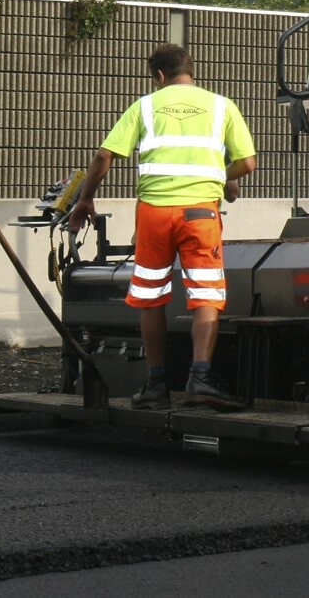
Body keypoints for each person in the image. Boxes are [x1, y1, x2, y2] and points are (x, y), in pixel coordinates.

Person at [67, 43, 257, 412]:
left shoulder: (145, 106)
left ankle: (155, 385)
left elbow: (105, 155)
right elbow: (247, 164)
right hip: (199, 214)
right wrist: (220, 177)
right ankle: (200, 378)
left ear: (158, 76)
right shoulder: (221, 106)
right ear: (191, 70)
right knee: (206, 297)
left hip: (154, 215)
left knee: (150, 298)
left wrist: (85, 200)